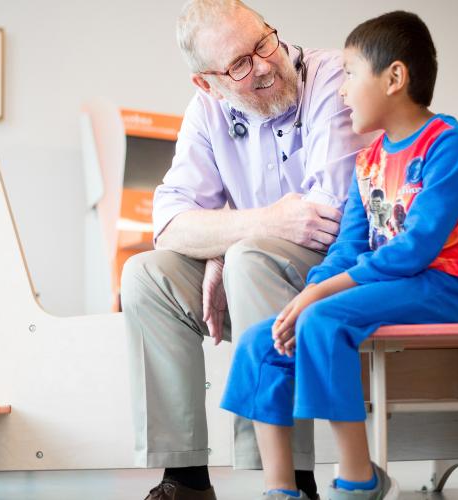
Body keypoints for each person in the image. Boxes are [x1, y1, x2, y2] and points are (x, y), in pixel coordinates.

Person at [220, 10, 458, 499]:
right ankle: (281, 490)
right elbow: (348, 247)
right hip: (386, 284)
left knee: (322, 321)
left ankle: (357, 481)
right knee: (262, 341)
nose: (341, 90)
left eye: (349, 73)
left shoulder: (450, 147)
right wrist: (303, 297)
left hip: (441, 285)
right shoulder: (369, 160)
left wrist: (319, 295)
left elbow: (417, 249)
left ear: (394, 78)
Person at [120, 1, 371, 498]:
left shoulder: (327, 79)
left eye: (263, 43)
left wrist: (227, 241)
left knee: (251, 258)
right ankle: (185, 479)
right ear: (206, 82)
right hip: (251, 269)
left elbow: (329, 217)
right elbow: (169, 222)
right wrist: (240, 237)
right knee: (146, 275)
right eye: (238, 64)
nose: (263, 65)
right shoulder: (207, 110)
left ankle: (289, 478)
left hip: (338, 273)